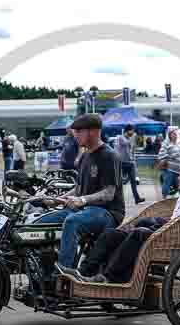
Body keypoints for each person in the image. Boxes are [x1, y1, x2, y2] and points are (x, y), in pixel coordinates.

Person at [61, 161, 180, 283]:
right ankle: (84, 271)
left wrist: (151, 224)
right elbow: (171, 220)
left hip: (171, 239)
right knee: (111, 234)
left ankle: (107, 276)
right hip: (163, 231)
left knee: (138, 232)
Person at [37, 114, 124, 278]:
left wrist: (82, 200)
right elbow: (78, 188)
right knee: (41, 222)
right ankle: (44, 270)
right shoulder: (85, 156)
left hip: (108, 212)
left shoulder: (108, 155)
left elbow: (109, 193)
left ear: (92, 132)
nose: (74, 134)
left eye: (78, 131)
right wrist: (55, 200)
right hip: (85, 209)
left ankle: (63, 275)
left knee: (72, 222)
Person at [114, 124, 144, 205]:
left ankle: (137, 198)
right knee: (119, 181)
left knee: (133, 181)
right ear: (128, 130)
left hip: (129, 163)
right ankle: (116, 198)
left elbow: (131, 150)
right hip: (122, 163)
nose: (133, 132)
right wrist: (132, 139)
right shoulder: (120, 138)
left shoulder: (129, 138)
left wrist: (133, 159)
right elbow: (125, 143)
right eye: (132, 130)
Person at [157, 128, 180, 198]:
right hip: (169, 169)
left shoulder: (178, 144)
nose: (175, 135)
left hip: (179, 170)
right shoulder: (166, 144)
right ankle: (164, 199)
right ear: (170, 135)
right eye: (174, 134)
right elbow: (161, 155)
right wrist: (172, 156)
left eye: (176, 134)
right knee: (166, 184)